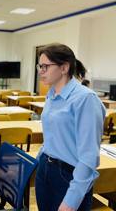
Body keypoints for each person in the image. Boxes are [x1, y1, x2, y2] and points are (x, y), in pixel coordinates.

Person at [35, 43, 105, 211]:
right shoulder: (51, 94)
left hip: (68, 176)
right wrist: (38, 161)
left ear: (64, 67)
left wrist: (71, 200)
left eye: (45, 66)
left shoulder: (86, 99)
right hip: (46, 168)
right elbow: (52, 135)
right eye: (39, 66)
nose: (40, 71)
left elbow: (89, 157)